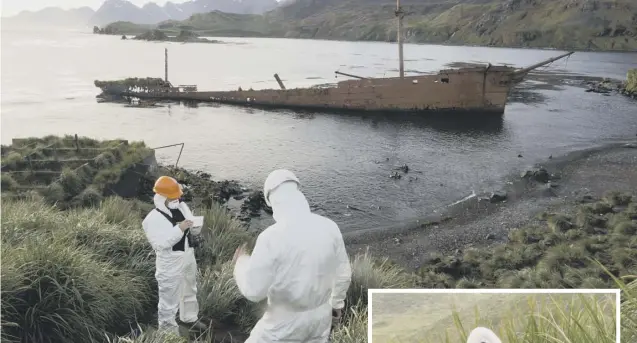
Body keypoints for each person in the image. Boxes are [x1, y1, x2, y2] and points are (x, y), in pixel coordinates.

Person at [233, 169, 352, 343]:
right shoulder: (330, 227)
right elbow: (343, 274)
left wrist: (241, 264)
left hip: (282, 324)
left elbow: (253, 290)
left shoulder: (270, 237)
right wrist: (336, 304)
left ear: (272, 200)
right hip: (320, 319)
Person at [141, 176, 207, 334]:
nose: (177, 199)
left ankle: (189, 318)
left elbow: (189, 226)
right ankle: (168, 333)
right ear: (162, 198)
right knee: (168, 299)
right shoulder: (152, 219)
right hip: (169, 263)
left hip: (187, 255)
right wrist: (181, 229)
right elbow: (160, 244)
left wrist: (195, 228)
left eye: (178, 196)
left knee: (190, 289)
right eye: (173, 197)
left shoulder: (181, 207)